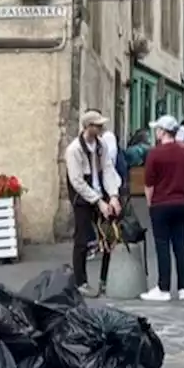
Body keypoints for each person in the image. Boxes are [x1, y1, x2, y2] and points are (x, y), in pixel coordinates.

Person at [65, 110, 122, 297]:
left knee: (109, 235)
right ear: (87, 126)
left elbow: (107, 169)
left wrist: (113, 196)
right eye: (97, 125)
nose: (101, 128)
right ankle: (81, 282)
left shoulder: (101, 145)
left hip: (101, 193)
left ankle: (105, 280)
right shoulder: (74, 150)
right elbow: (77, 182)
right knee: (82, 239)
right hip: (83, 198)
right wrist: (98, 202)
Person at [141, 115, 184, 301]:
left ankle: (163, 288)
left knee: (162, 245)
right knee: (180, 245)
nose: (156, 132)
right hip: (180, 203)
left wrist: (150, 203)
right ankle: (183, 288)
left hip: (160, 203)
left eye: (157, 129)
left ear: (163, 132)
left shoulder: (154, 154)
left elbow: (149, 184)